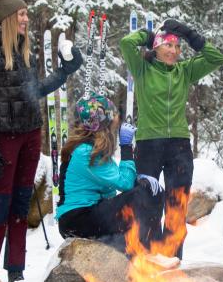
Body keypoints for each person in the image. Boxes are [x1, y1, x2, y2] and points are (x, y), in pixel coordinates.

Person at [0, 0, 83, 282]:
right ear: (7, 17)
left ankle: (16, 271)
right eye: (20, 14)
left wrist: (63, 72)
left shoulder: (22, 48)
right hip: (4, 138)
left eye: (26, 14)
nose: (25, 19)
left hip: (31, 134)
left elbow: (35, 90)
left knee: (20, 204)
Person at [119, 17, 223, 256]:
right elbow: (126, 43)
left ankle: (173, 261)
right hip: (148, 144)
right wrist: (147, 35)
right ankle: (147, 262)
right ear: (156, 47)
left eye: (178, 47)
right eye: (168, 45)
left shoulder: (184, 71)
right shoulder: (143, 69)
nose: (174, 51)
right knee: (148, 205)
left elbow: (216, 58)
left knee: (176, 207)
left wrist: (190, 34)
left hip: (179, 145)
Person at [56, 95, 163, 251]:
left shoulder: (89, 148)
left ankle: (148, 249)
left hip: (87, 214)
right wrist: (126, 147)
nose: (116, 122)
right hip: (77, 219)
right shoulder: (85, 152)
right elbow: (125, 183)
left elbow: (119, 181)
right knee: (142, 196)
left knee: (149, 191)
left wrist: (139, 179)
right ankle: (150, 251)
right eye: (113, 117)